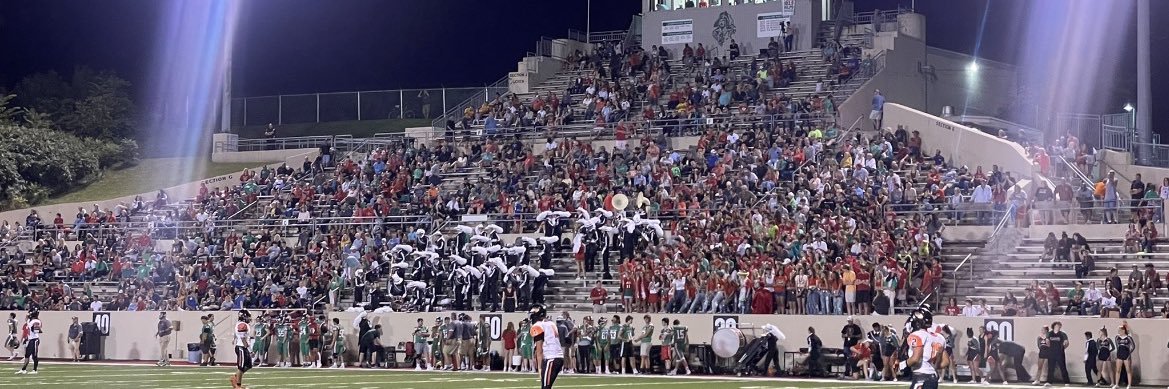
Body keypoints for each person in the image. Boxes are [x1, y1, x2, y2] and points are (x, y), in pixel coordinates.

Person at [906, 307, 943, 389]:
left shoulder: (917, 335)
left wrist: (903, 365)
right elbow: (944, 361)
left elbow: (916, 359)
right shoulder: (938, 337)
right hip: (933, 377)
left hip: (921, 377)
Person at [529, 305, 564, 389]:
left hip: (551, 358)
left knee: (545, 387)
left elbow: (539, 350)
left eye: (533, 314)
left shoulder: (538, 325)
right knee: (547, 386)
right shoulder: (551, 323)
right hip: (558, 357)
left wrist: (540, 368)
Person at [230, 310, 254, 389]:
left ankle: (235, 377)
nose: (249, 318)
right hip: (241, 347)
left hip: (243, 347)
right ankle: (238, 385)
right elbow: (243, 339)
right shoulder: (242, 325)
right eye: (248, 316)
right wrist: (250, 350)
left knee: (249, 365)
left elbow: (237, 335)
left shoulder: (241, 324)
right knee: (241, 367)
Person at [16, 310, 42, 375]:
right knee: (27, 355)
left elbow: (36, 330)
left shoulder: (36, 321)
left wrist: (35, 327)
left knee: (34, 356)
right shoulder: (30, 320)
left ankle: (35, 370)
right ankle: (23, 369)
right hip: (31, 340)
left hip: (35, 339)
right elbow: (26, 319)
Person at [1113, 324, 1135, 389]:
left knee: (1128, 370)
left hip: (1126, 354)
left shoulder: (1128, 338)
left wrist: (1129, 354)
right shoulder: (1117, 337)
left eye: (1119, 330)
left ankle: (1129, 385)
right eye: (1118, 330)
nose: (1118, 331)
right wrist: (1117, 355)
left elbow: (1133, 346)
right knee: (1118, 370)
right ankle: (1116, 384)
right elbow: (1117, 346)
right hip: (1119, 354)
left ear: (1123, 330)